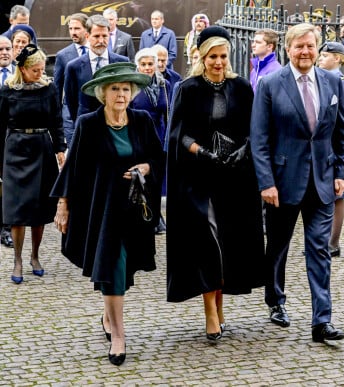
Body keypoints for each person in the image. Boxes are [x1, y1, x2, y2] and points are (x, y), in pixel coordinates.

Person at [51, 62, 165, 366]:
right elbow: (72, 167)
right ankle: (118, 333)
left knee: (123, 270)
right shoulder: (89, 123)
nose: (121, 94)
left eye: (126, 89)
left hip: (133, 209)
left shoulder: (141, 121)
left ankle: (107, 315)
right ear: (103, 93)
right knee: (113, 265)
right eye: (115, 88)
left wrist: (146, 167)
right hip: (100, 210)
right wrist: (63, 204)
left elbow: (158, 157)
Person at [250, 23, 344, 342]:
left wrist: (342, 173)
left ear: (317, 48)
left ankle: (322, 320)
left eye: (310, 46)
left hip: (322, 181)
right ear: (288, 50)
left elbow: (342, 132)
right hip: (282, 183)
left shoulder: (333, 81)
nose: (305, 52)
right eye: (299, 47)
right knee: (277, 247)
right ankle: (275, 300)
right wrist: (266, 182)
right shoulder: (270, 84)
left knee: (319, 249)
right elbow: (259, 137)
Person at [165, 26, 266, 342]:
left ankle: (220, 309)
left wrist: (243, 150)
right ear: (201, 57)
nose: (219, 62)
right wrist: (203, 152)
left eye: (223, 56)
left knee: (227, 243)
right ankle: (210, 312)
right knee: (207, 243)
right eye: (212, 56)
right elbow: (178, 134)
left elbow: (255, 129)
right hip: (198, 178)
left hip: (234, 178)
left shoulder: (242, 88)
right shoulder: (188, 88)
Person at [0, 44, 66, 284]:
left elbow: (56, 121)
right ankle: (17, 259)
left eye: (41, 69)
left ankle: (35, 256)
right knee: (17, 211)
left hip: (41, 147)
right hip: (15, 149)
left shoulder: (48, 89)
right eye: (35, 70)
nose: (40, 74)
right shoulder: (7, 91)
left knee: (38, 209)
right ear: (23, 69)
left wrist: (60, 148)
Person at [64, 14, 129, 134]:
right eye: (96, 36)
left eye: (104, 36)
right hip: (86, 129)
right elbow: (71, 101)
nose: (101, 40)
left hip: (116, 127)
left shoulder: (122, 62)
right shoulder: (74, 67)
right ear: (87, 36)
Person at [317, 41, 344, 257]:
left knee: (337, 194)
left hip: (334, 141)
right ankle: (321, 240)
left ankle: (333, 241)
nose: (320, 58)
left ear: (337, 58)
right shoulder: (319, 79)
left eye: (325, 55)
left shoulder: (341, 81)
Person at [130, 47, 169, 234]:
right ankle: (145, 216)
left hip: (160, 136)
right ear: (137, 66)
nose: (147, 68)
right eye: (143, 64)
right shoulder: (132, 86)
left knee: (157, 178)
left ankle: (156, 217)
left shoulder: (164, 85)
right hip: (140, 137)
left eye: (150, 64)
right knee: (143, 178)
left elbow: (168, 112)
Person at [53, 12, 88, 147]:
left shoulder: (97, 52)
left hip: (93, 111)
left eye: (77, 28)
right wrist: (57, 118)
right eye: (71, 29)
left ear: (87, 30)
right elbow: (57, 87)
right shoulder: (63, 55)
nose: (73, 32)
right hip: (70, 117)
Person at [0, 35, 15, 248]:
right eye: (1, 49)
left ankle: (6, 228)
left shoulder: (18, 76)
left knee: (7, 185)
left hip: (12, 138)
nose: (4, 52)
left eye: (8, 48)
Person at [249, 28, 281, 92]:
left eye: (258, 42)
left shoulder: (275, 71)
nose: (253, 45)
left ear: (269, 46)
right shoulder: (255, 69)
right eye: (253, 42)